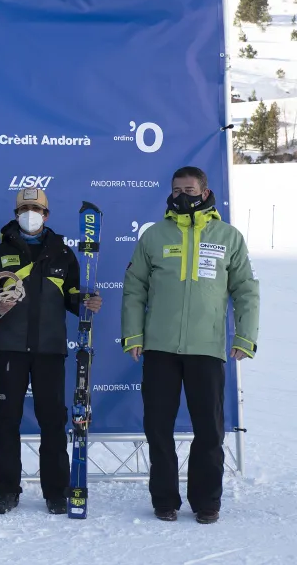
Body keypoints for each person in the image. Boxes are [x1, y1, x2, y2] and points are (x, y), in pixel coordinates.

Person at [122, 166, 259, 525]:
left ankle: (206, 502)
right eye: (177, 189)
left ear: (204, 191)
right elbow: (135, 288)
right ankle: (165, 499)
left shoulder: (229, 237)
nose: (183, 194)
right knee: (158, 427)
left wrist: (245, 336)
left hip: (207, 348)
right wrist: (134, 335)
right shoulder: (154, 236)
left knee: (209, 431)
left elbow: (246, 290)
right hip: (160, 349)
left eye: (189, 188)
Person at [0, 187, 101, 515]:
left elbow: (74, 295)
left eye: (36, 209)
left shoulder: (62, 253)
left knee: (52, 421)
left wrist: (86, 302)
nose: (29, 214)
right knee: (6, 420)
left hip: (49, 350)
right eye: (24, 208)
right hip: (11, 348)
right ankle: (6, 489)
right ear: (16, 213)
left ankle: (56, 492)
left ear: (46, 215)